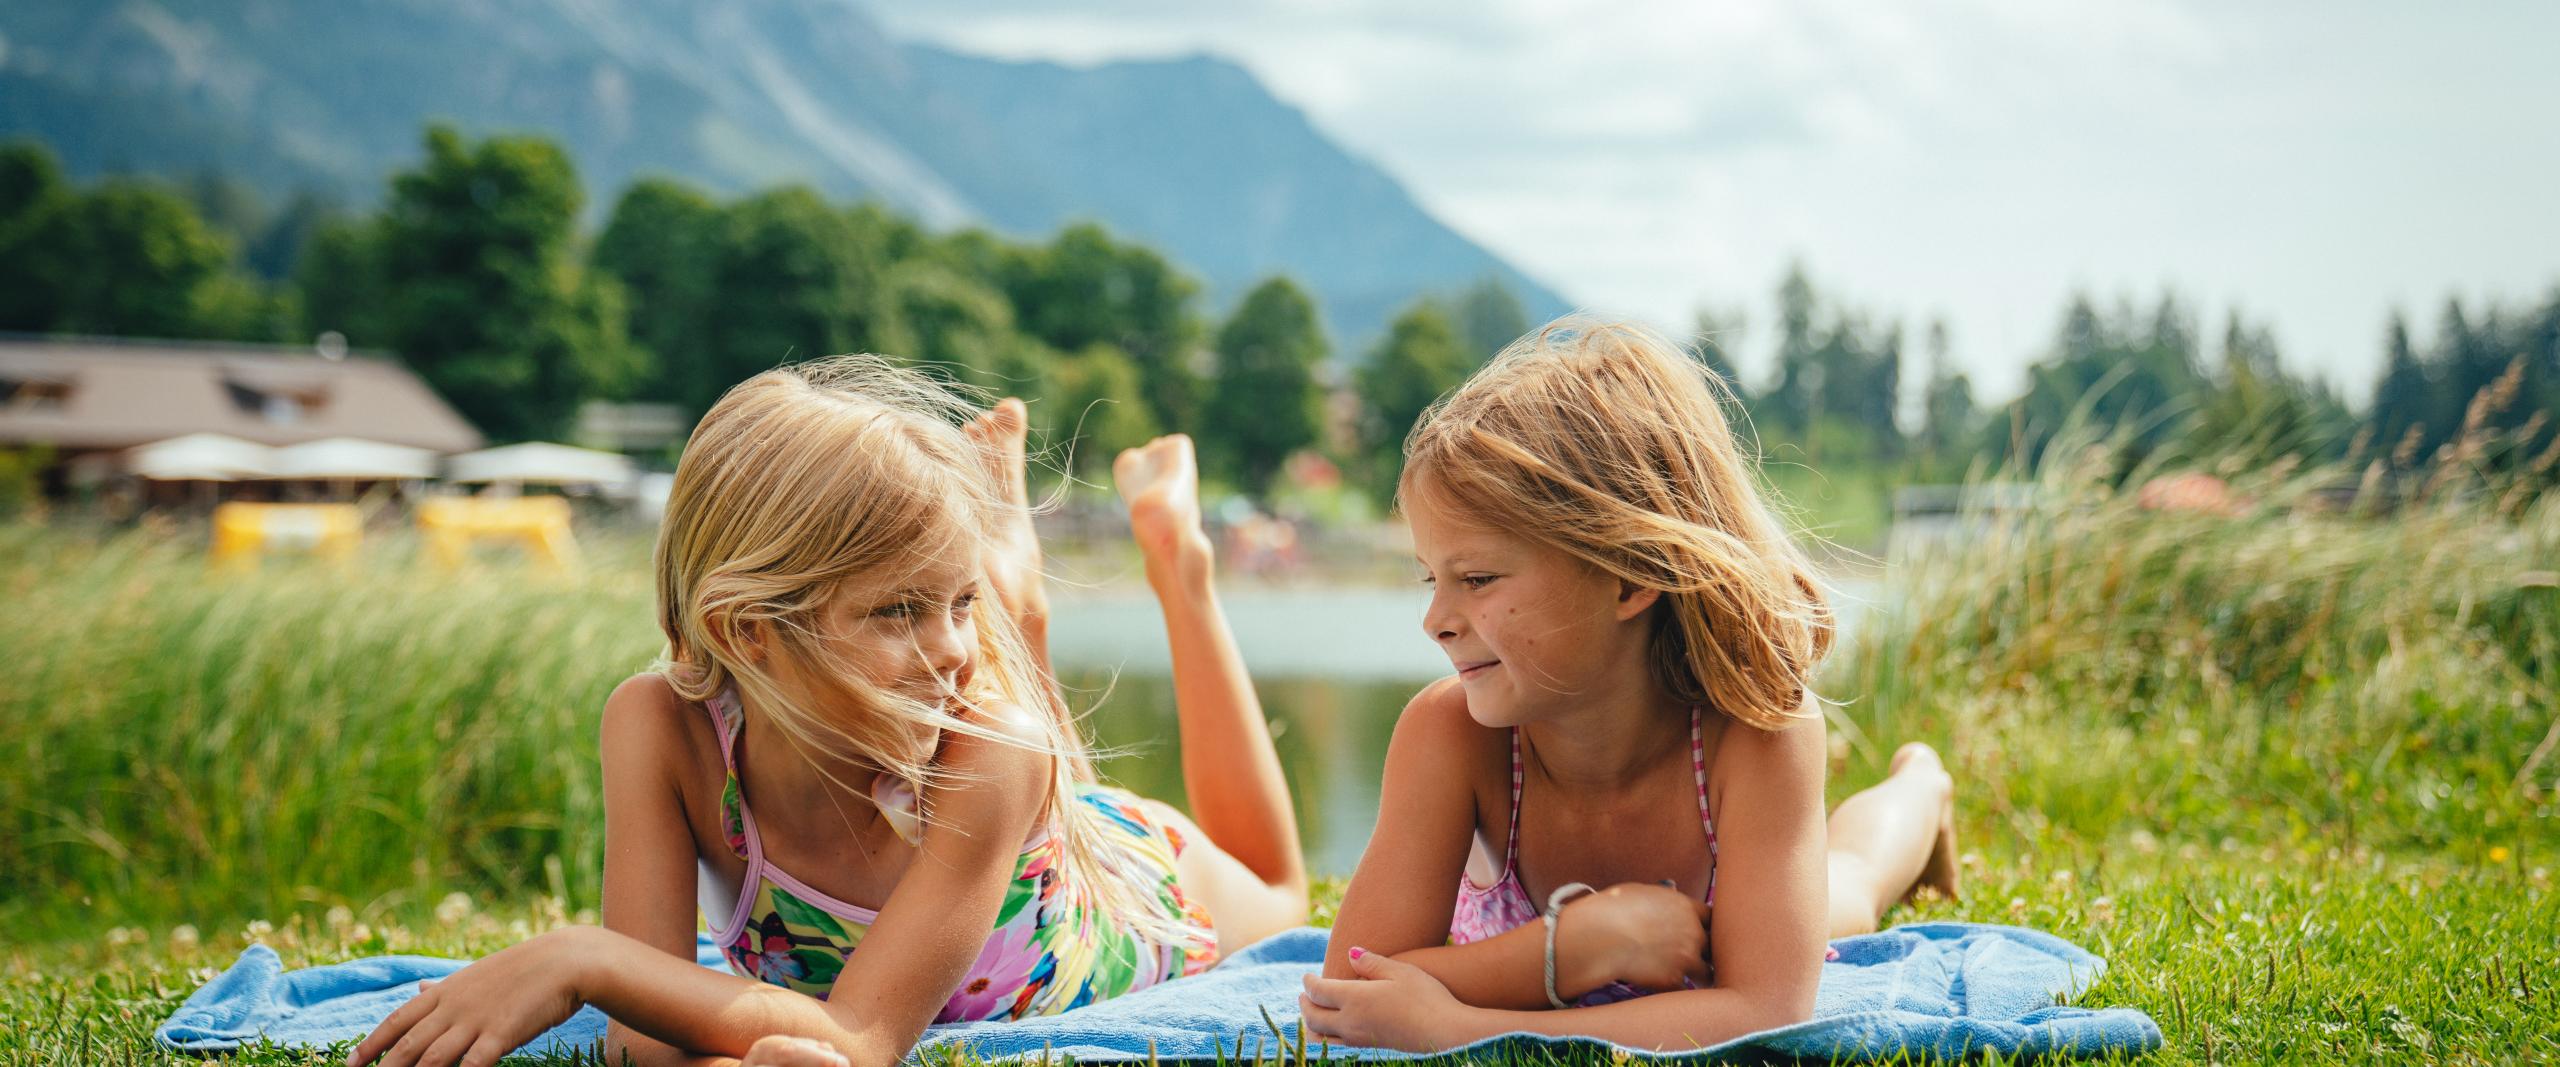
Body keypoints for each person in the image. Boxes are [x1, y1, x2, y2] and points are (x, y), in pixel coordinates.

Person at [348, 356, 1307, 1067]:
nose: (951, 646)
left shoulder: (994, 752)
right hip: (1004, 829)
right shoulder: (660, 727)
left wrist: (579, 958)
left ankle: (1172, 566)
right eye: (898, 609)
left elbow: (859, 1037)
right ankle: (1004, 575)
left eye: (959, 601)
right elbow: (647, 1046)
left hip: (1125, 892)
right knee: (993, 694)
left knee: (1281, 889)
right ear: (747, 631)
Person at [1301, 318, 1959, 1052]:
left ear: (1630, 578)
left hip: (1727, 929)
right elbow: (1349, 991)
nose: (1435, 622)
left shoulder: (1758, 730)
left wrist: (1469, 1026)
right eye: (1433, 579)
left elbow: (1766, 1008)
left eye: (1478, 578)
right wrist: (1580, 944)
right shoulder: (1452, 734)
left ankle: (1922, 788)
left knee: (1852, 885)